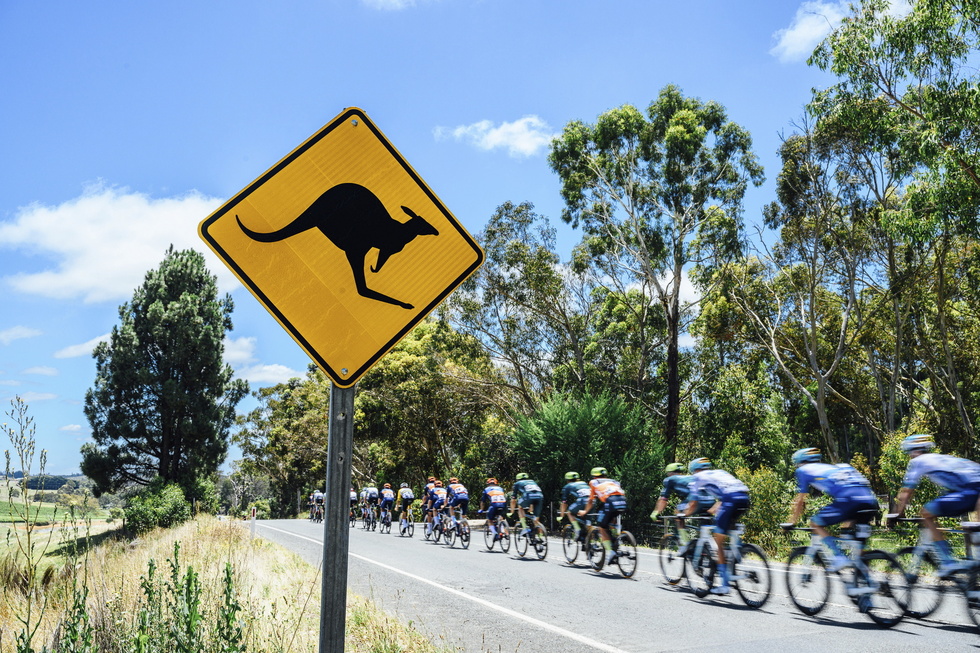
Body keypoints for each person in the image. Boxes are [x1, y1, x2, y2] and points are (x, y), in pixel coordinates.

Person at [887, 434, 980, 576]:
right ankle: (972, 572)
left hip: (970, 491)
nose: (909, 457)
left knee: (926, 513)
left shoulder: (918, 461)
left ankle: (948, 562)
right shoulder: (940, 458)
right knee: (972, 529)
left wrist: (897, 514)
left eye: (909, 454)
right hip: (974, 492)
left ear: (913, 451)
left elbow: (906, 492)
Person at [780, 447, 879, 572]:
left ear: (800, 462)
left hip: (848, 500)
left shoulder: (803, 470)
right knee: (854, 542)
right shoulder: (832, 468)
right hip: (869, 501)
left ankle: (839, 557)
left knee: (815, 523)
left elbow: (800, 501)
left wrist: (792, 521)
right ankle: (867, 579)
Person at [683, 458, 750, 595]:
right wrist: (712, 510)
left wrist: (684, 515)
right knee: (728, 531)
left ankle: (725, 585)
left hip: (730, 500)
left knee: (717, 541)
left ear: (694, 470)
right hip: (744, 497)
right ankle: (737, 554)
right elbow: (724, 495)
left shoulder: (696, 478)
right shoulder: (720, 472)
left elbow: (693, 503)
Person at [651, 462, 713, 552]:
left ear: (669, 473)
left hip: (696, 499)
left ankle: (685, 544)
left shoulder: (670, 480)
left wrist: (656, 512)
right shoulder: (689, 478)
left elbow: (663, 500)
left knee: (678, 513)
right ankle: (706, 547)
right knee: (704, 527)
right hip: (710, 500)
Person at [577, 467, 627, 566]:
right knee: (611, 519)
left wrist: (584, 511)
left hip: (610, 501)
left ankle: (611, 552)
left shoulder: (593, 482)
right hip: (623, 500)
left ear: (594, 476)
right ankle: (616, 539)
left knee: (601, 527)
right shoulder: (614, 481)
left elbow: (591, 500)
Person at [558, 471, 591, 542]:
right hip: (592, 502)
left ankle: (577, 530)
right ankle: (591, 543)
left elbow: (564, 503)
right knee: (588, 523)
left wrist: (562, 515)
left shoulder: (567, 486)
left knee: (570, 512)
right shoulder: (584, 483)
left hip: (582, 500)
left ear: (567, 480)